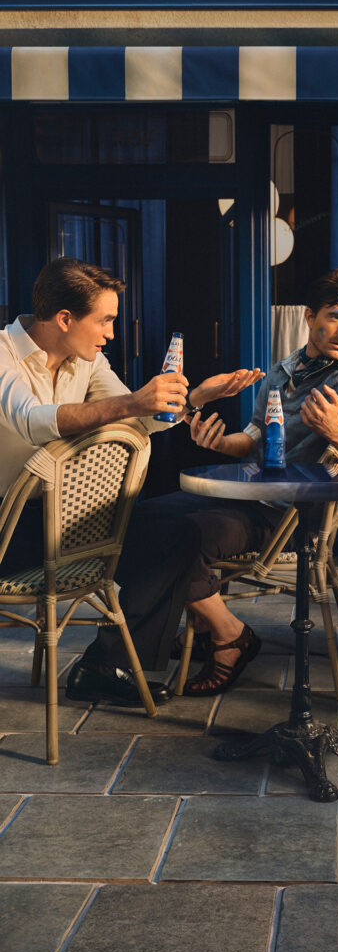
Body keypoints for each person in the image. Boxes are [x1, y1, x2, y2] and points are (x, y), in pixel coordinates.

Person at [0, 256, 263, 705]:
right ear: (64, 319)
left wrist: (193, 398)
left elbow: (137, 417)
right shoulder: (4, 354)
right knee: (161, 533)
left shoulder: (87, 360)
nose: (111, 333)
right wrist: (132, 403)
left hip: (61, 521)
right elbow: (32, 421)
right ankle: (223, 633)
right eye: (104, 320)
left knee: (177, 534)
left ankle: (106, 666)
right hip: (8, 529)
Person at [122, 267, 338, 700]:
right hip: (245, 498)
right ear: (309, 316)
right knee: (140, 518)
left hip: (291, 518)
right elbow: (256, 436)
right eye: (335, 316)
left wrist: (335, 430)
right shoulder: (281, 372)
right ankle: (212, 625)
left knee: (181, 535)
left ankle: (227, 636)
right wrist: (220, 443)